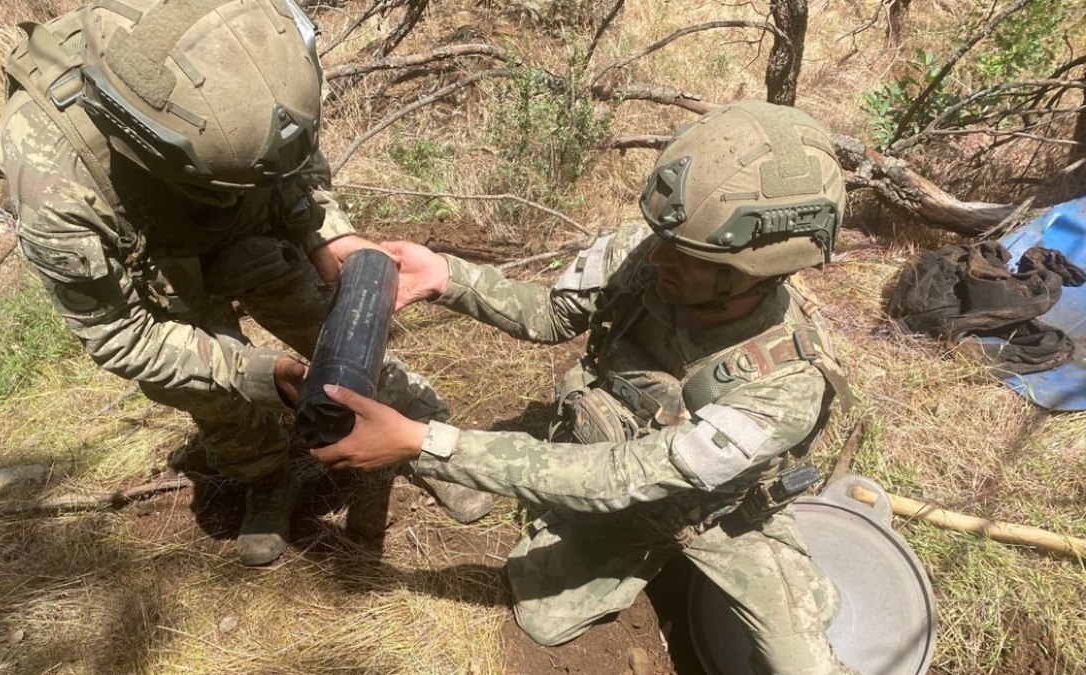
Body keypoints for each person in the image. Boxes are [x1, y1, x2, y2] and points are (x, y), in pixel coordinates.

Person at [310, 101, 859, 673]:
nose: (660, 256)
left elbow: (629, 475)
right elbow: (549, 314)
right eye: (663, 237)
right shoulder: (647, 252)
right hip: (607, 443)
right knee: (542, 618)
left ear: (756, 271)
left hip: (721, 514)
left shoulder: (788, 383)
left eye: (690, 254)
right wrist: (448, 276)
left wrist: (426, 443)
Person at [0, 0, 492, 567]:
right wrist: (252, 372)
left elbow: (291, 155)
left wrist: (327, 234)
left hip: (244, 223)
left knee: (337, 327)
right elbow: (119, 335)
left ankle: (424, 435)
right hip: (154, 259)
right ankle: (264, 475)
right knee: (200, 386)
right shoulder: (52, 176)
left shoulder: (248, 48)